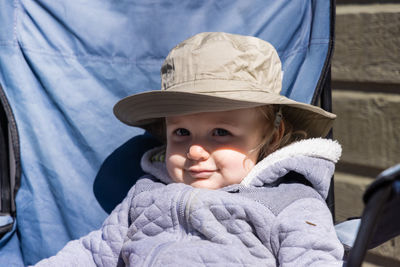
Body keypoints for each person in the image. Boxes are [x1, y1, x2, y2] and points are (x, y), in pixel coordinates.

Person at [34, 32, 344, 266]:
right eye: (181, 132)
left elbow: (314, 258)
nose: (195, 151)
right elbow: (95, 251)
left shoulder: (290, 200)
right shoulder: (144, 194)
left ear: (273, 137)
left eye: (220, 132)